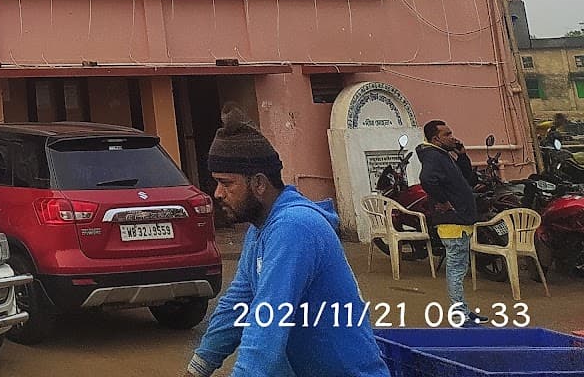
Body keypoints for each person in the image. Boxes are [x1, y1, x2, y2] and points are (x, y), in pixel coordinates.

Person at [187, 107, 388, 377]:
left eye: (226, 183)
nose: (218, 193)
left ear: (259, 184)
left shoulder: (294, 227)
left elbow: (266, 326)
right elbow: (236, 306)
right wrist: (197, 369)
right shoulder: (260, 231)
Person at [418, 120, 479, 323]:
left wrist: (461, 155)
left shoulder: (444, 155)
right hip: (452, 222)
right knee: (456, 268)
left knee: (459, 267)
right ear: (436, 139)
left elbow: (468, 178)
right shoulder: (433, 155)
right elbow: (427, 180)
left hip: (460, 219)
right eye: (447, 134)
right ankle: (459, 314)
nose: (452, 137)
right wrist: (444, 202)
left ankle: (463, 309)